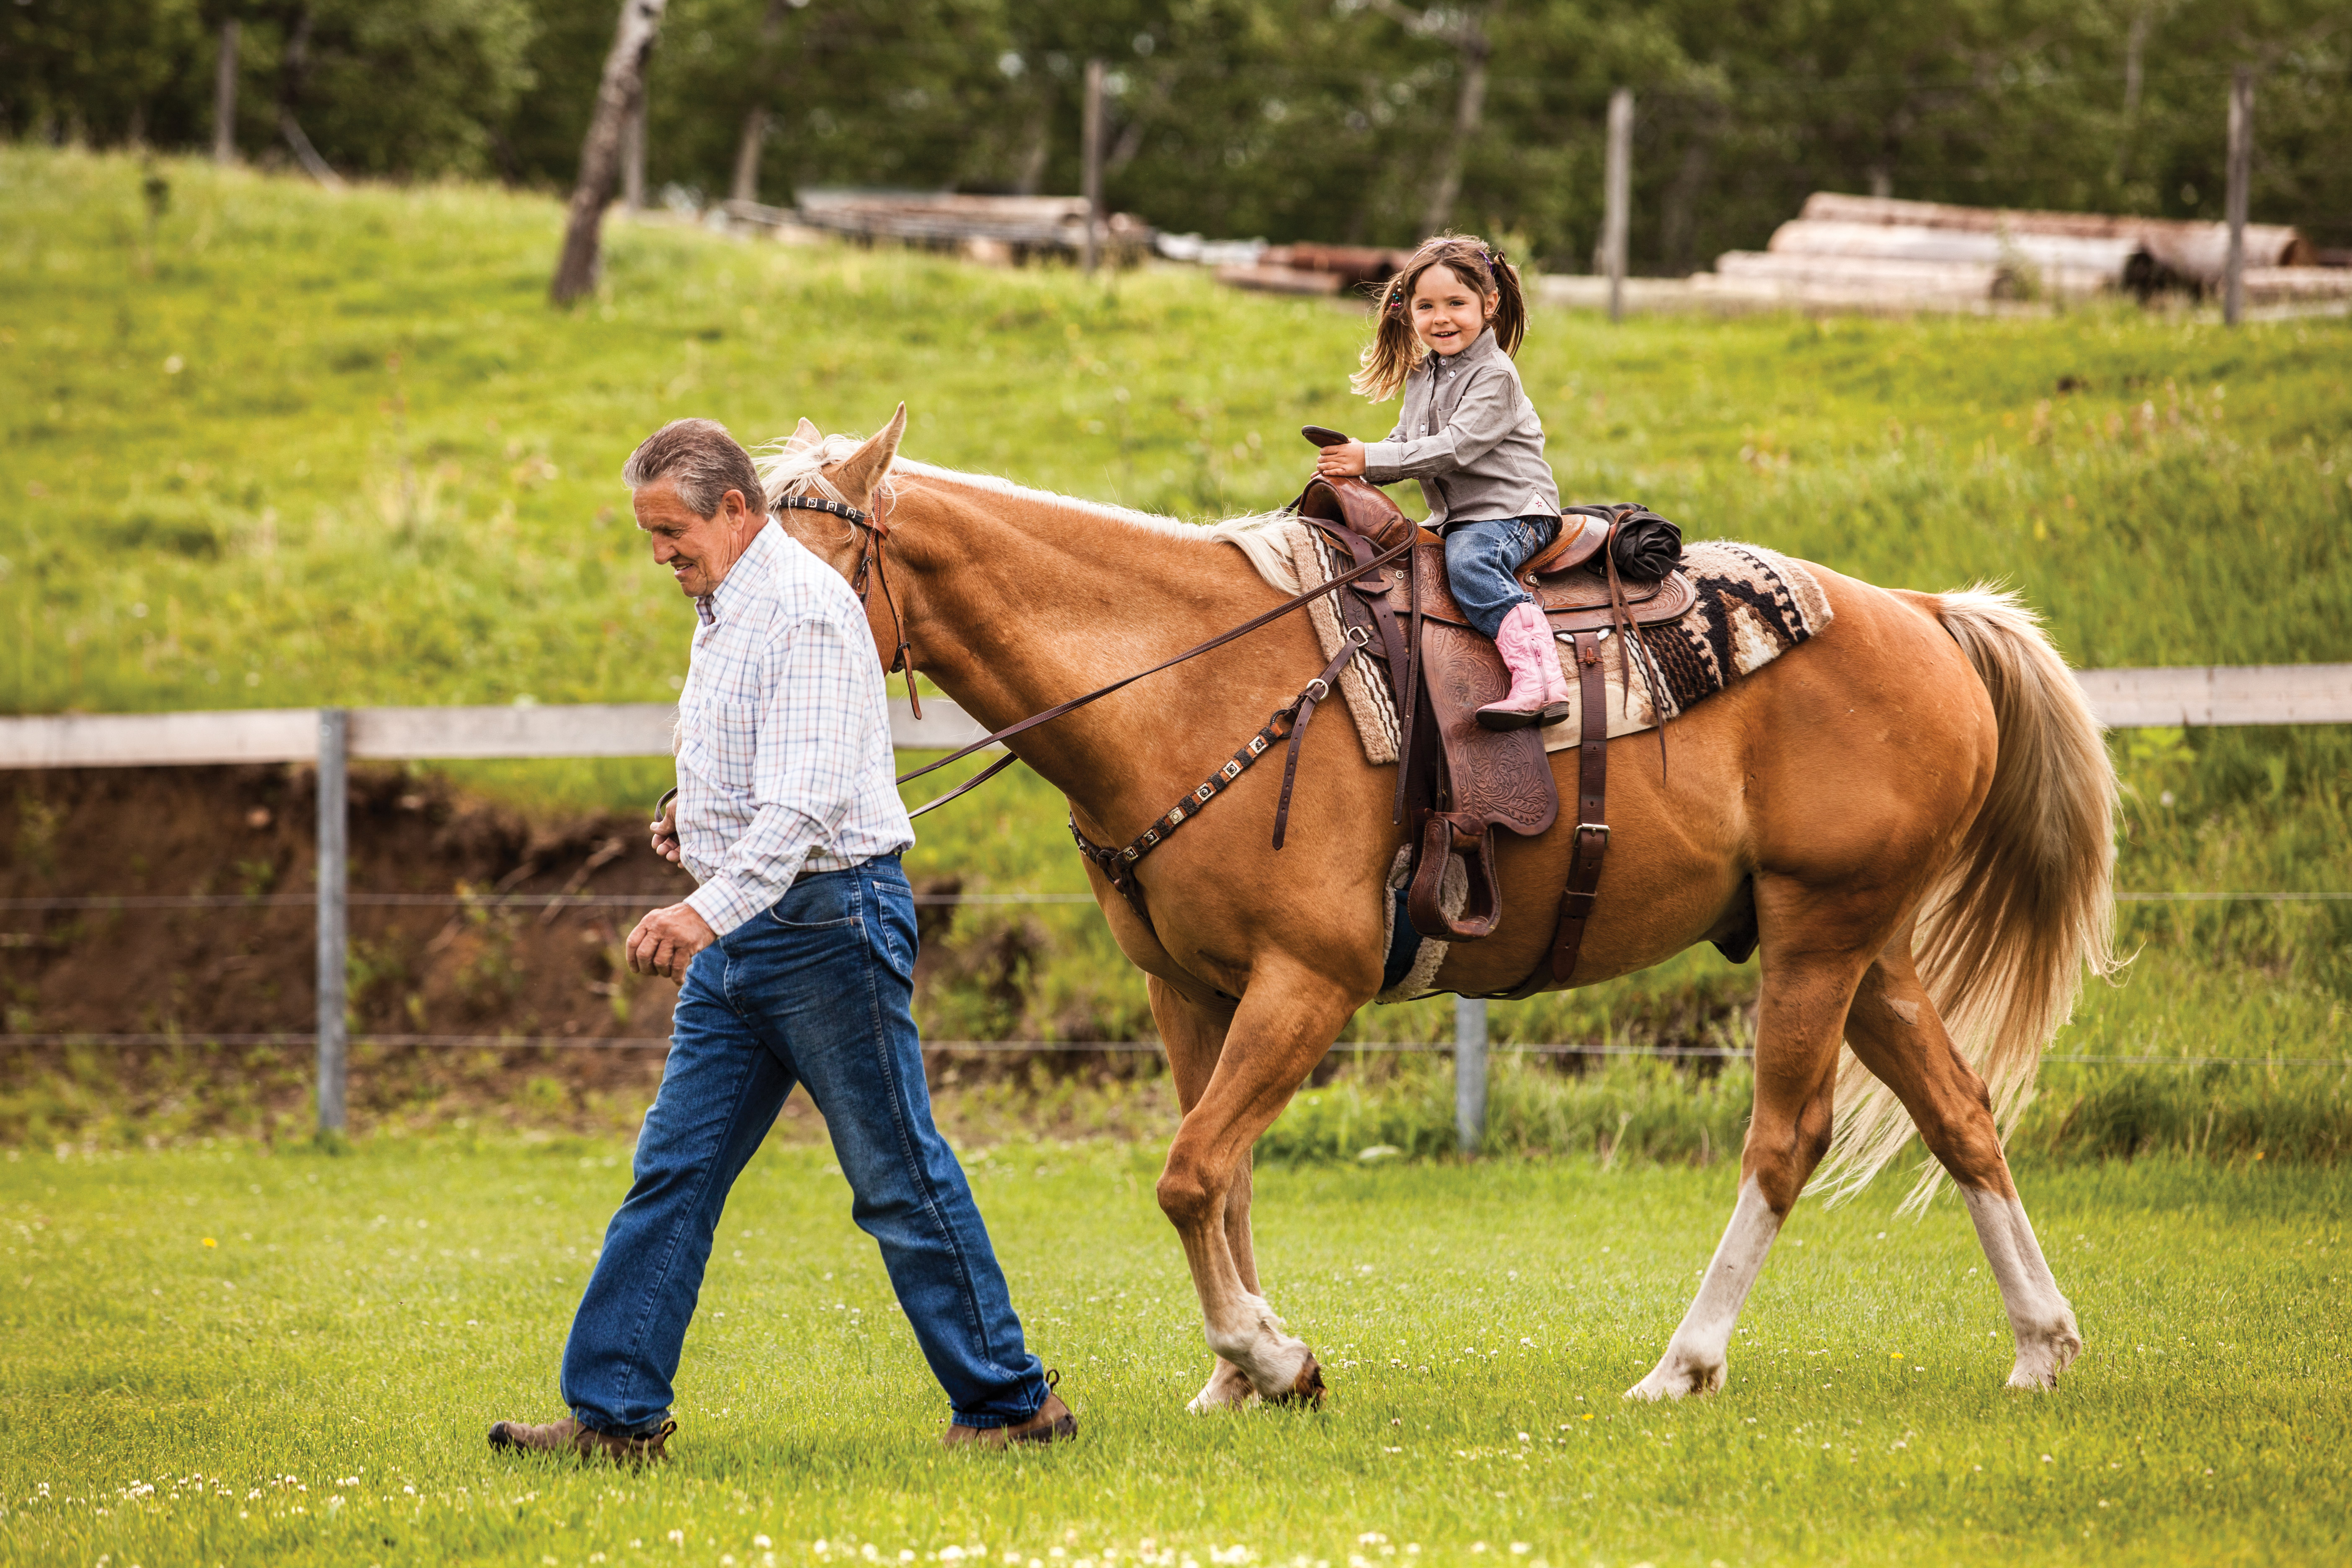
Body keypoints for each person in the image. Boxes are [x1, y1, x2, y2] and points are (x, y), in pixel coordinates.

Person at [488, 418, 1073, 1461]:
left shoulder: (802, 607)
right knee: (674, 1170)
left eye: (672, 530)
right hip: (751, 931)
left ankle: (1011, 1404)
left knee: (896, 1174)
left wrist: (699, 911)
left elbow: (803, 808)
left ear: (735, 509)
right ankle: (615, 1416)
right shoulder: (724, 603)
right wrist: (690, 812)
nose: (660, 551)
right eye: (647, 533)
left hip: (825, 926)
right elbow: (752, 750)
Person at [1316, 233, 1571, 730]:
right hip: (1460, 516)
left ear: (1489, 304)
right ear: (1407, 310)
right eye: (1427, 306)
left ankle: (1541, 680)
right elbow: (1407, 438)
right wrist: (1351, 475)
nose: (1442, 318)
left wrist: (1368, 458)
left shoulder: (1495, 376)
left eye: (1457, 303)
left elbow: (1453, 448)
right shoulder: (1424, 373)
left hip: (1511, 512)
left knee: (1470, 563)